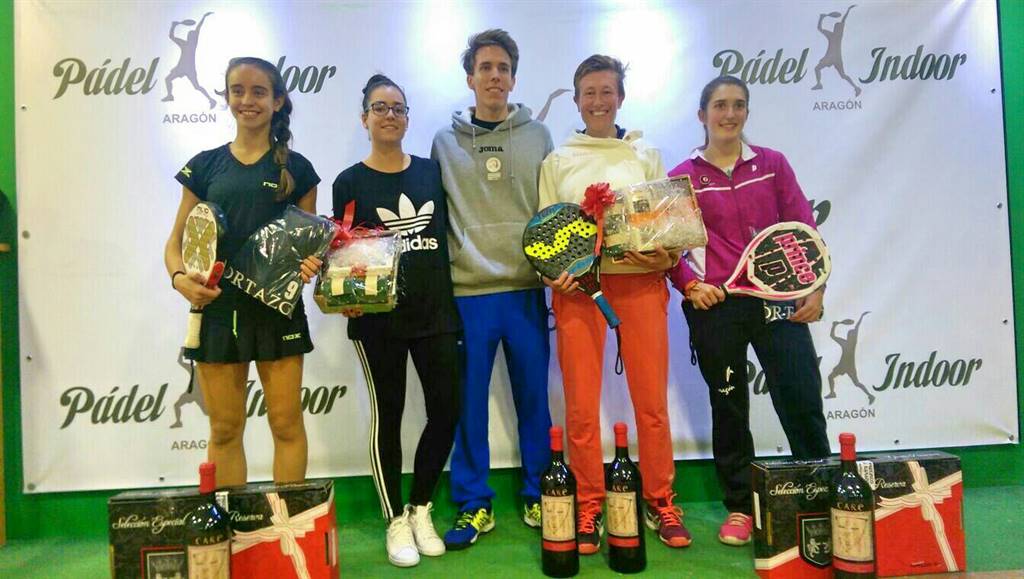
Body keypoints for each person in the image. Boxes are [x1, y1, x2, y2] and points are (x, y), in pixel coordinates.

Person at [667, 75, 830, 546]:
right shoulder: (682, 177)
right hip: (716, 308)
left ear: (747, 112)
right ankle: (740, 508)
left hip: (777, 302)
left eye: (738, 105)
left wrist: (815, 288)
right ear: (702, 115)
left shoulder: (773, 165)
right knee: (730, 408)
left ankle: (820, 497)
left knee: (800, 396)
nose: (730, 114)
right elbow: (670, 248)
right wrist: (690, 285)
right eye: (720, 105)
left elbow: (803, 228)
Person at [539, 54, 690, 553]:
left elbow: (669, 228)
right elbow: (545, 234)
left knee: (652, 404)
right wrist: (554, 273)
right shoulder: (558, 160)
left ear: (620, 98)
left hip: (642, 286)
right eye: (590, 93)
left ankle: (660, 499)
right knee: (581, 406)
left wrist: (669, 254)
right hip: (581, 291)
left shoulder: (646, 154)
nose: (599, 101)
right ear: (576, 100)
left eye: (607, 92)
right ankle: (588, 504)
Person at [165, 56, 322, 487]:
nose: (247, 100)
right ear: (227, 96)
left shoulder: (299, 170)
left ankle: (286, 523)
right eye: (238, 90)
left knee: (286, 425)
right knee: (224, 429)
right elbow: (175, 244)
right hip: (218, 311)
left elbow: (307, 248)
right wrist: (180, 280)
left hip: (277, 311)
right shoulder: (205, 166)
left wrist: (310, 264)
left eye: (258, 91)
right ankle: (232, 524)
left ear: (278, 101)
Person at [430, 28, 554, 549]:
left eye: (503, 68)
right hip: (468, 294)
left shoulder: (539, 136)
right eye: (485, 67)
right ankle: (474, 503)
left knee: (535, 402)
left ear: (513, 78)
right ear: (470, 78)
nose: (494, 76)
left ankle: (539, 494)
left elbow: (551, 212)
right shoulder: (444, 141)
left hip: (525, 290)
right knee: (468, 407)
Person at [332, 74, 462, 568]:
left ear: (408, 118)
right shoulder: (348, 181)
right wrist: (343, 294)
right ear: (363, 118)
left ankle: (421, 507)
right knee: (387, 415)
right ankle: (394, 519)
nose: (390, 115)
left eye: (398, 108)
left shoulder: (432, 172)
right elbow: (341, 251)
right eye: (380, 107)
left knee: (446, 411)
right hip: (377, 321)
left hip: (436, 313)